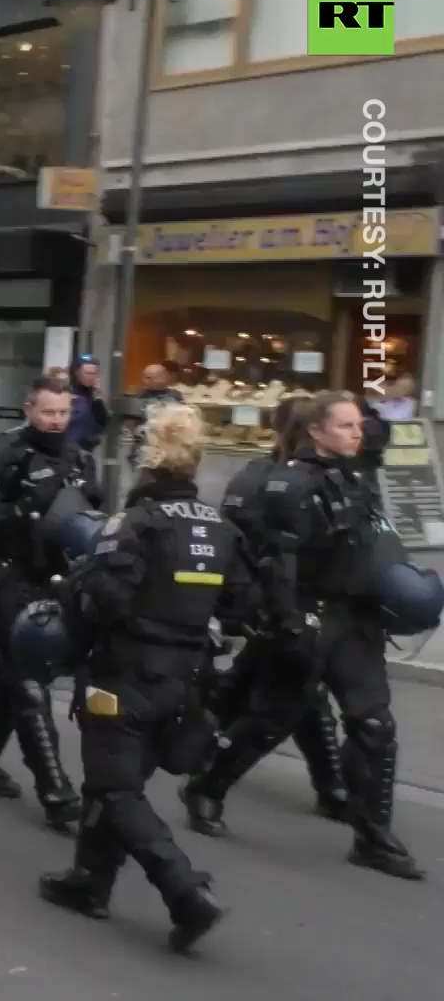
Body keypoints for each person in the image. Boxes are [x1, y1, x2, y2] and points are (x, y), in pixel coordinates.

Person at [180, 392, 427, 880]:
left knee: (374, 724)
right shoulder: (289, 485)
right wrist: (287, 623)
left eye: (359, 426)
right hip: (309, 613)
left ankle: (372, 835)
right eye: (346, 426)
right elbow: (276, 563)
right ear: (316, 431)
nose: (357, 433)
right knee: (273, 718)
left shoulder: (356, 475)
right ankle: (207, 786)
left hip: (357, 618)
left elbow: (377, 517)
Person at [38, 403, 251, 953]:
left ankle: (185, 891)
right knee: (113, 782)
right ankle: (89, 881)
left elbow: (106, 603)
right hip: (184, 682)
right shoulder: (222, 529)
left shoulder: (133, 525)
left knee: (115, 787)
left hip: (124, 674)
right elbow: (242, 607)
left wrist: (76, 589)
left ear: (148, 459)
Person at [0, 377, 100, 833]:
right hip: (11, 574)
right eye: (48, 413)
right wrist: (17, 513)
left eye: (63, 413)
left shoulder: (78, 457)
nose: (56, 422)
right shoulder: (1, 454)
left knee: (13, 669)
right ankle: (56, 790)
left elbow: (90, 513)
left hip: (59, 577)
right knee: (28, 677)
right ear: (28, 408)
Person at [208, 399, 347, 821]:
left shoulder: (322, 480)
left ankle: (201, 745)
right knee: (297, 693)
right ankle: (331, 785)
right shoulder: (268, 480)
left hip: (292, 602)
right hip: (271, 601)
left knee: (274, 688)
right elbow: (246, 544)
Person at [67, 358, 109, 452]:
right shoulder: (68, 392)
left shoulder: (93, 394)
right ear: (77, 373)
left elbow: (102, 422)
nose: (91, 377)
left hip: (87, 447)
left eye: (94, 374)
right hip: (70, 445)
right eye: (88, 373)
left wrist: (98, 398)